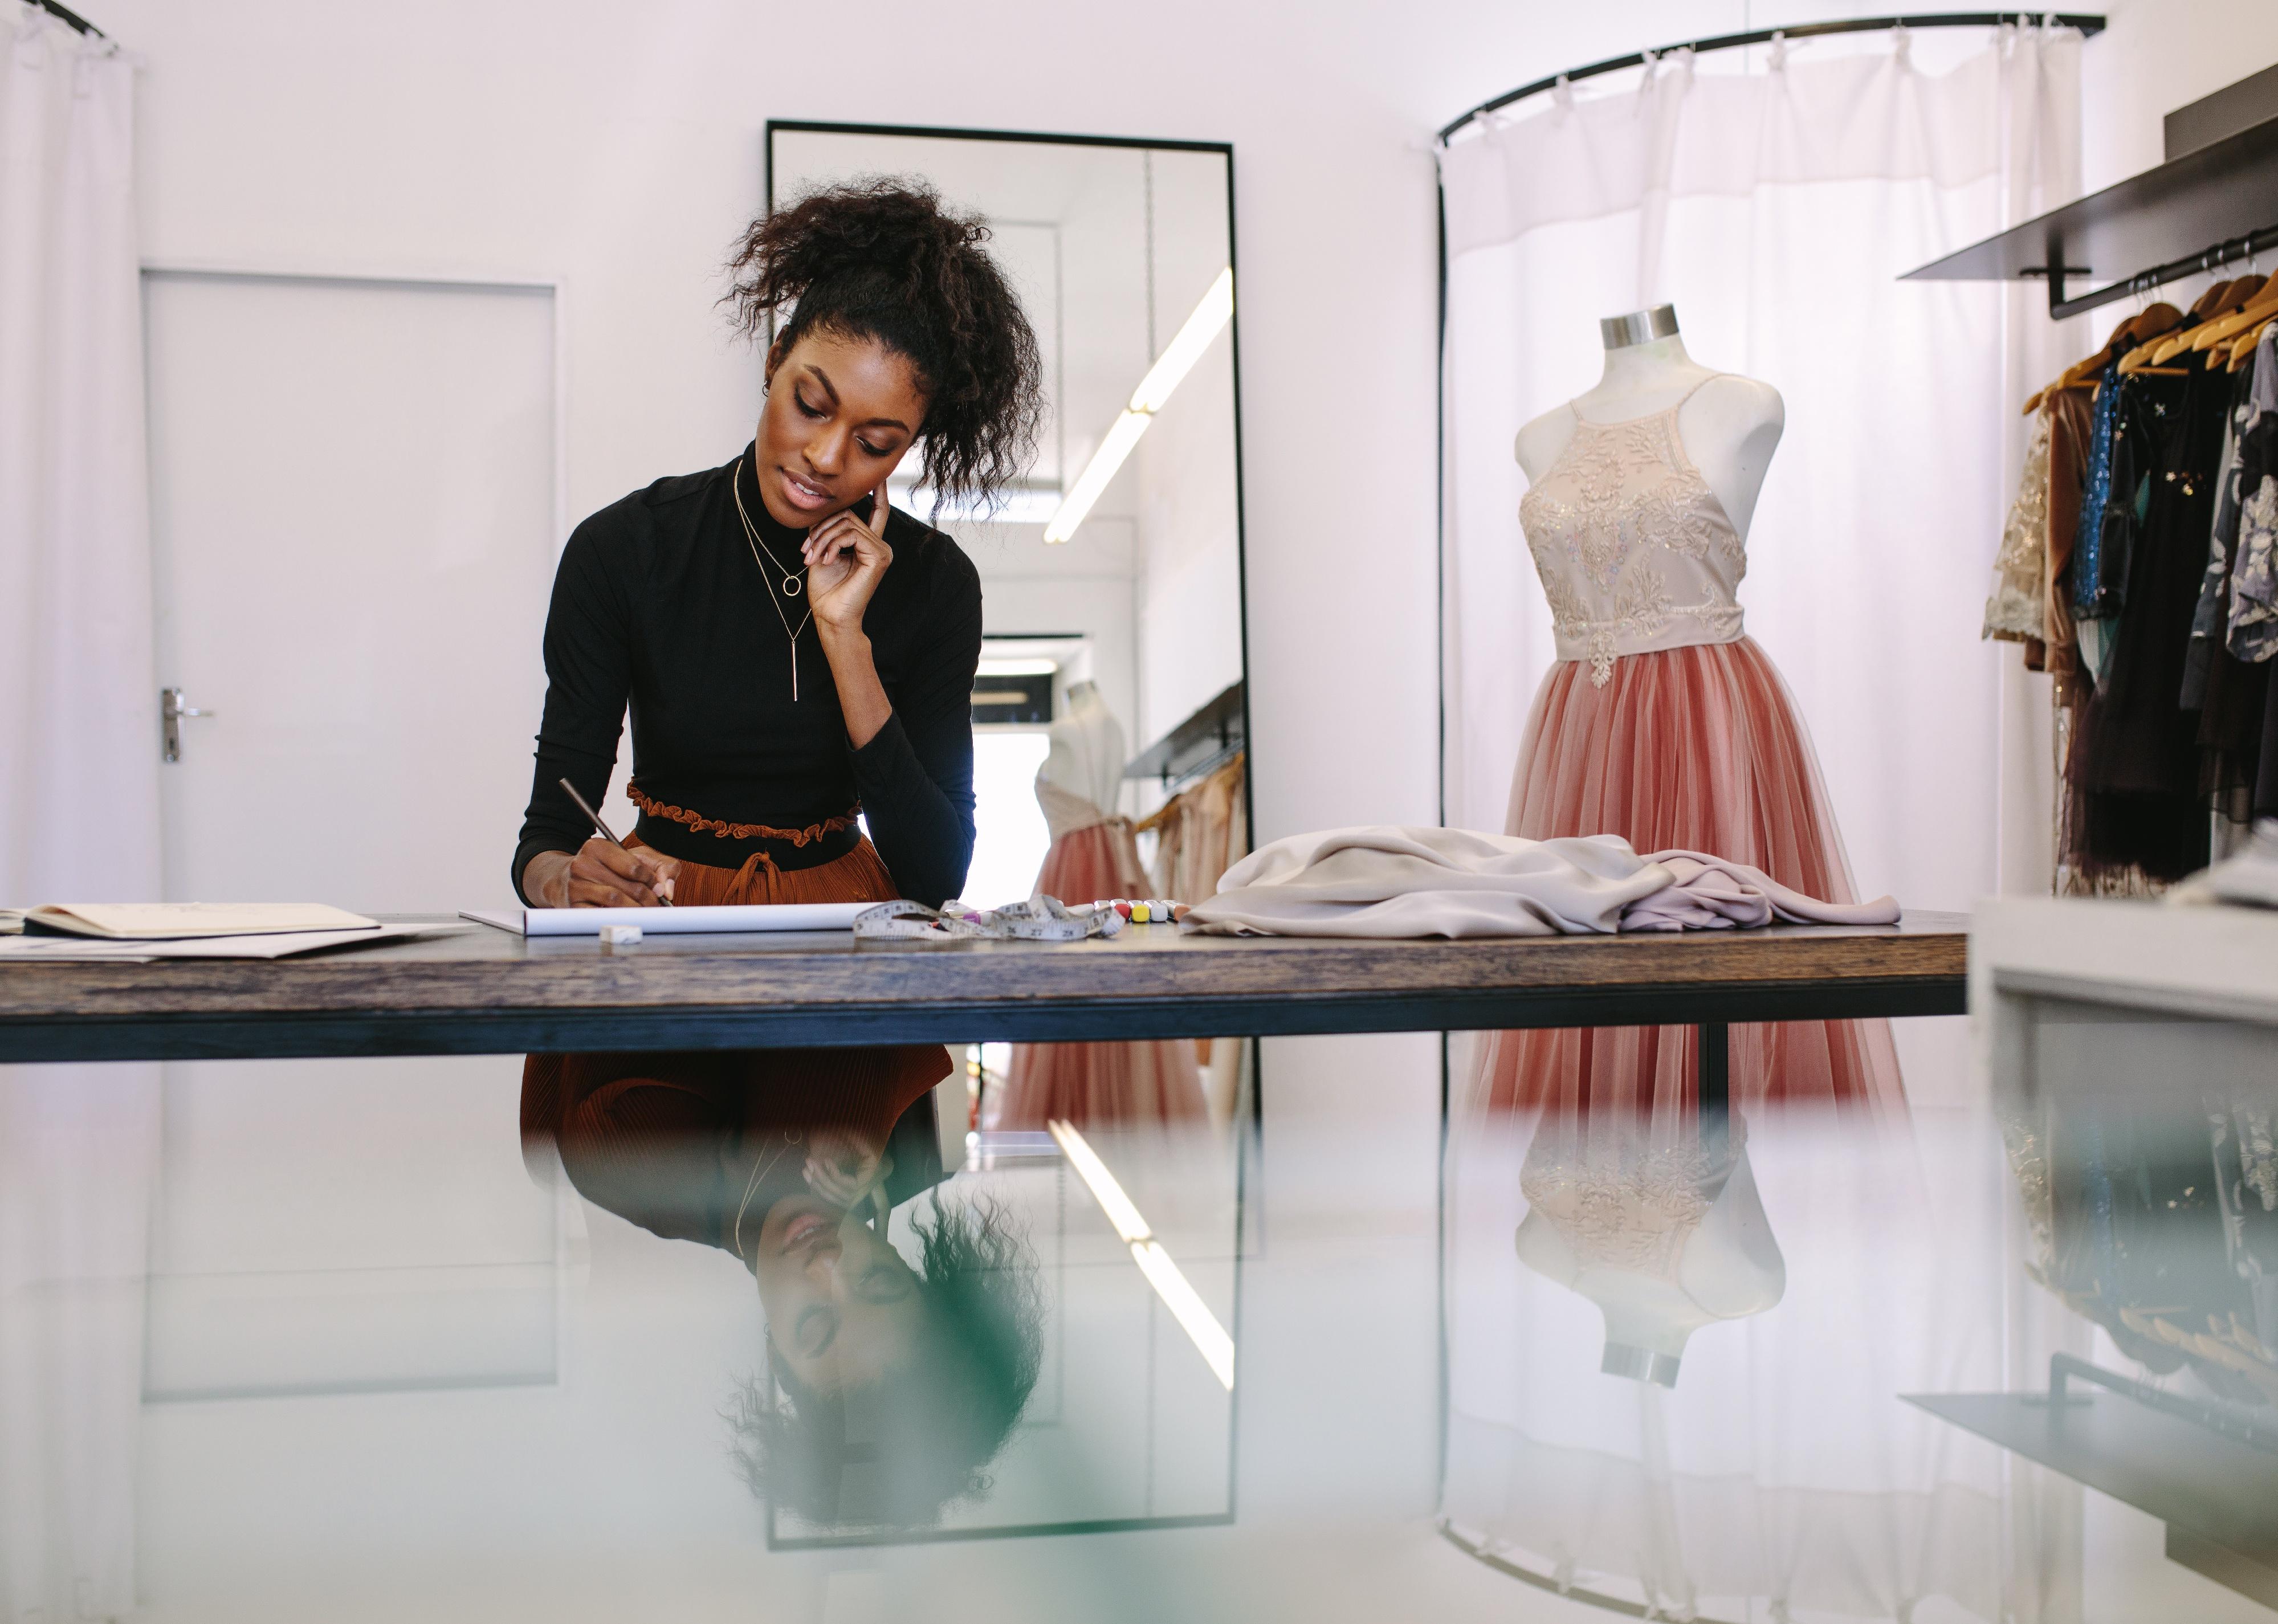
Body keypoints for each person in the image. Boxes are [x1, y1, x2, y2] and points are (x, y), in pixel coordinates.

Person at [511, 176, 1044, 915]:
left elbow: (934, 876)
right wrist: (564, 880)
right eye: (811, 405)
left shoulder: (933, 583)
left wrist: (844, 636)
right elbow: (544, 841)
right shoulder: (626, 550)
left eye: (874, 442)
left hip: (845, 921)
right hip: (662, 910)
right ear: (774, 360)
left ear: (909, 447)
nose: (827, 457)